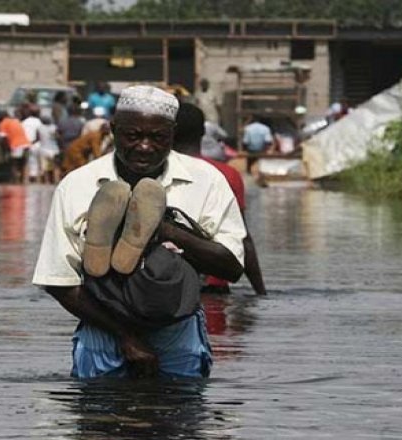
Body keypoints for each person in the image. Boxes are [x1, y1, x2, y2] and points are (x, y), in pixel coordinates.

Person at [33, 85, 247, 379]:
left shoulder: (207, 181)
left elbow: (232, 267)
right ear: (114, 130)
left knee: (176, 417)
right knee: (103, 418)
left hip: (177, 323)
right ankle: (112, 246)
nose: (144, 146)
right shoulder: (78, 184)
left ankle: (151, 231)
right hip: (104, 325)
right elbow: (58, 281)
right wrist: (125, 336)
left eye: (157, 137)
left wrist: (168, 232)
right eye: (133, 136)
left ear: (172, 134)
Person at [173, 103, 266, 296]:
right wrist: (261, 292)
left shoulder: (155, 171)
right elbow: (243, 237)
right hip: (214, 289)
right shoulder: (227, 174)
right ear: (202, 132)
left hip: (164, 284)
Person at [0, 111, 31, 183]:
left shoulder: (3, 123)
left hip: (16, 145)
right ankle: (24, 181)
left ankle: (15, 181)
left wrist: (6, 150)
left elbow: (2, 138)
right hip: (26, 144)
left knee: (14, 164)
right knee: (24, 163)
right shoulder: (16, 121)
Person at [22, 104, 44, 183]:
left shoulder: (24, 122)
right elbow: (39, 134)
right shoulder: (39, 122)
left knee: (27, 162)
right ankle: (38, 181)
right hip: (37, 144)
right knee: (39, 162)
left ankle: (25, 180)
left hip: (26, 144)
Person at [37, 116, 60, 183]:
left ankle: (46, 181)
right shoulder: (54, 127)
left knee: (45, 167)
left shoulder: (40, 128)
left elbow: (38, 138)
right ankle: (56, 180)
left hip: (43, 149)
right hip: (54, 149)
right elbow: (57, 137)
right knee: (56, 166)